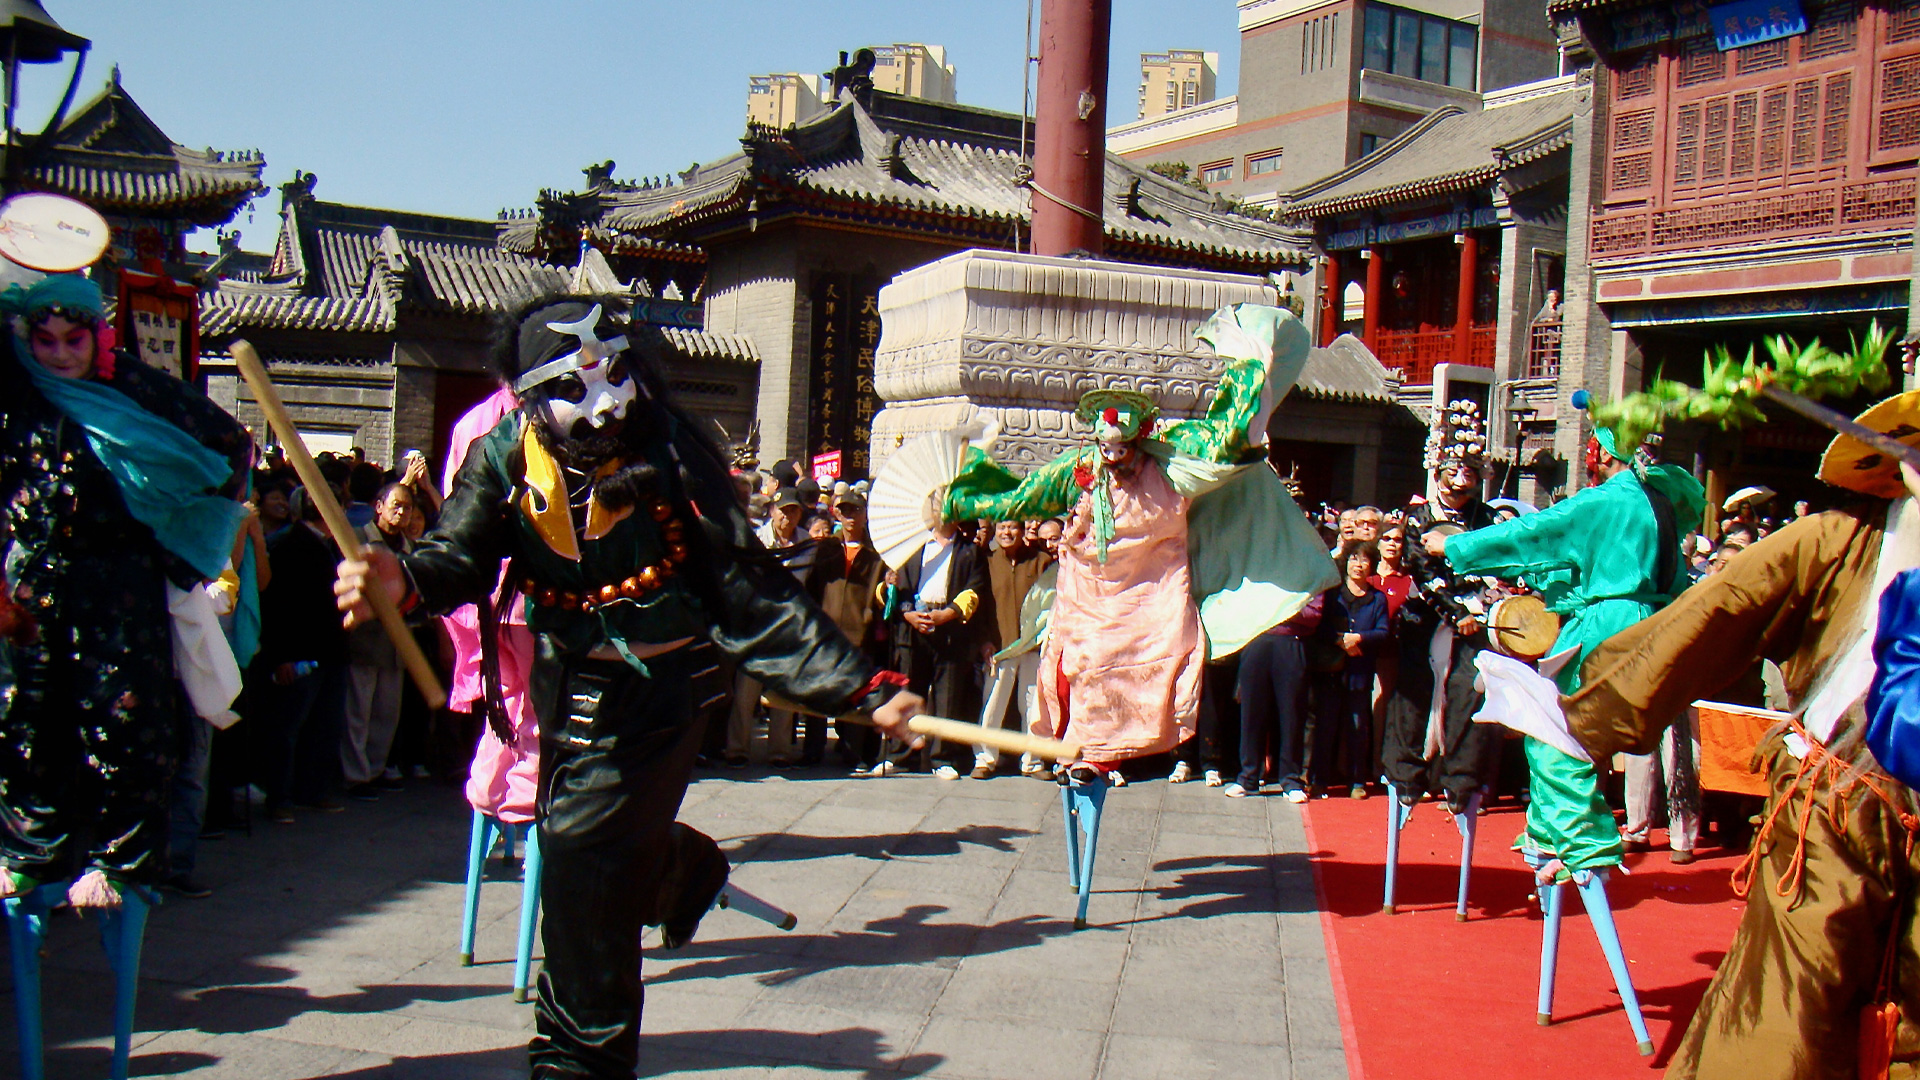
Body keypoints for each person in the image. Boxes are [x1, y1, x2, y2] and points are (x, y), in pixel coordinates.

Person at [333, 295, 922, 1079]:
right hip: (569, 678)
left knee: (581, 857)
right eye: (574, 386)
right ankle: (676, 867)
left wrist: (859, 688)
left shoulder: (668, 451)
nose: (604, 400)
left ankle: (578, 1062)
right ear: (532, 397)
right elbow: (455, 555)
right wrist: (397, 577)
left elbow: (742, 587)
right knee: (580, 846)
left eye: (614, 372)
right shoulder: (506, 453)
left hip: (664, 690)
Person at [1558, 391, 1920, 1079]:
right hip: (1833, 823)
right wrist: (1577, 714)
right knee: (1783, 1026)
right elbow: (1712, 616)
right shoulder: (1837, 541)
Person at [932, 304, 1337, 787]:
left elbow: (1227, 442)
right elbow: (1023, 496)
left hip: (1154, 593)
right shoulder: (1077, 472)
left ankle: (1120, 757)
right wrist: (959, 499)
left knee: (1151, 671)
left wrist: (1246, 366)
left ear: (1139, 443)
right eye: (1106, 451)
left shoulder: (1170, 467)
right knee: (1077, 666)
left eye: (1122, 451)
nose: (1114, 461)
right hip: (1088, 593)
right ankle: (1082, 755)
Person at [0, 273, 252, 907]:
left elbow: (229, 446)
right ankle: (32, 850)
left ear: (99, 337)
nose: (59, 354)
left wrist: (172, 544)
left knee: (125, 717)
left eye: (74, 339)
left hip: (118, 583)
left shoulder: (133, 389)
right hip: (31, 585)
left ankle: (122, 860)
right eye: (45, 340)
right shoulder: (16, 394)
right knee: (24, 715)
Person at [1433, 413, 1704, 881]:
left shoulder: (1605, 500)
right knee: (1576, 734)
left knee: (1553, 732)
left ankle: (1580, 842)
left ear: (1601, 453)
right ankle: (1548, 830)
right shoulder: (1657, 504)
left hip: (1606, 628)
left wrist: (1457, 546)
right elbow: (1587, 567)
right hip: (1653, 626)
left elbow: (1534, 532)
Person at [1381, 401, 1502, 813]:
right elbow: (1421, 568)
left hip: (1476, 618)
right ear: (1436, 474)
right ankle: (1406, 776)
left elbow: (1499, 562)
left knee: (1471, 692)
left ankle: (1461, 779)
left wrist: (1487, 601)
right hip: (1430, 615)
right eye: (1451, 476)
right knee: (1413, 694)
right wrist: (1456, 611)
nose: (1457, 485)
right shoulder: (1417, 516)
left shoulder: (1488, 519)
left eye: (1467, 476)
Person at [889, 518, 988, 778]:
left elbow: (974, 589)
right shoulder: (911, 545)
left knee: (948, 695)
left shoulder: (970, 550)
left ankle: (942, 757)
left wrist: (949, 613)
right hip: (913, 624)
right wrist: (907, 613)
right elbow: (894, 585)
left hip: (949, 627)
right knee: (909, 691)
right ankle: (900, 755)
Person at [804, 488, 889, 771]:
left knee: (855, 693)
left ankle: (853, 753)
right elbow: (813, 587)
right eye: (846, 511)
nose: (852, 517)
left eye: (857, 511)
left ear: (865, 515)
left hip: (858, 633)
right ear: (838, 514)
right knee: (819, 692)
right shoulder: (826, 548)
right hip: (825, 631)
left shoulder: (876, 553)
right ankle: (813, 750)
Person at [340, 482, 416, 799]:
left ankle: (375, 768)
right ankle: (355, 776)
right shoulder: (358, 539)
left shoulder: (411, 547)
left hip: (398, 643)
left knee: (387, 712)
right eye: (396, 505)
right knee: (358, 711)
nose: (401, 512)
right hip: (365, 638)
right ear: (378, 506)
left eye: (407, 507)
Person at [976, 519, 1054, 779]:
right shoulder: (987, 561)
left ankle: (1032, 761)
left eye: (1012, 528)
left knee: (1032, 704)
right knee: (993, 702)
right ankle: (985, 758)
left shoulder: (1040, 561)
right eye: (1002, 528)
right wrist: (985, 640)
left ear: (1022, 532)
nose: (1006, 533)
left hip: (1033, 644)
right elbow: (982, 604)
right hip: (1001, 646)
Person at [1228, 593, 1323, 799]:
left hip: (1291, 642)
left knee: (1292, 715)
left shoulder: (1307, 570)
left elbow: (1313, 613)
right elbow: (1245, 604)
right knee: (1251, 713)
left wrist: (1276, 608)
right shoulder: (1262, 569)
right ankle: (1248, 777)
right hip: (1256, 640)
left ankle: (1290, 779)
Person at [1314, 541, 1390, 797]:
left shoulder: (1378, 598)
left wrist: (1358, 638)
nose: (1358, 564)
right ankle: (1319, 779)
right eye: (1354, 558)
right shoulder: (1333, 594)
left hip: (1360, 672)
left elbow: (1383, 632)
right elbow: (1319, 627)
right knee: (1325, 726)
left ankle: (1357, 781)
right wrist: (1340, 640)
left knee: (1358, 727)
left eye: (1364, 560)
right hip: (1331, 672)